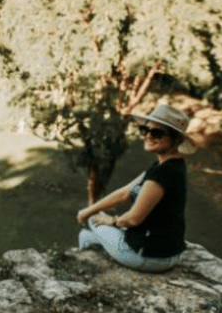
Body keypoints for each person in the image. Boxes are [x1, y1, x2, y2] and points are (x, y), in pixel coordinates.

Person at [76, 104, 196, 272]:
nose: (147, 136)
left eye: (157, 133)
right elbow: (124, 193)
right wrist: (89, 209)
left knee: (92, 221)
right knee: (87, 233)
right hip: (169, 253)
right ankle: (88, 248)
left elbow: (133, 219)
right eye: (144, 129)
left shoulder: (162, 173)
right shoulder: (171, 165)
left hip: (147, 256)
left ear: (177, 140)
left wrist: (110, 220)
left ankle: (83, 267)